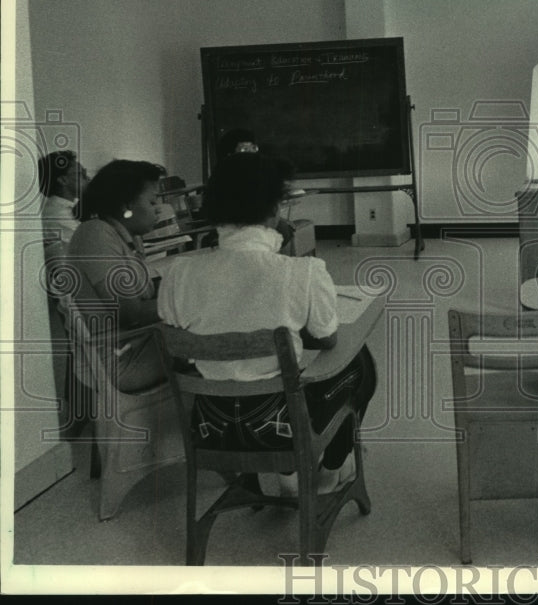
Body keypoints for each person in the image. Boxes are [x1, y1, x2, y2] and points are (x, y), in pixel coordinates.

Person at [157, 152, 377, 495]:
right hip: (281, 426)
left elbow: (177, 339)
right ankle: (330, 469)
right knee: (361, 364)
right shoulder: (301, 272)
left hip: (210, 425)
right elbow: (328, 338)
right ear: (276, 209)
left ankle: (268, 476)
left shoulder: (177, 273)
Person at [66, 159, 168, 392]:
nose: (159, 208)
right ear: (126, 205)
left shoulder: (119, 234)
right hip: (122, 360)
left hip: (137, 344)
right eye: (152, 201)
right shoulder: (95, 234)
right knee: (216, 338)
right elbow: (130, 313)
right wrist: (188, 299)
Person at [38, 150, 89, 247]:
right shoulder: (58, 215)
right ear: (63, 180)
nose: (88, 178)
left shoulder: (67, 208)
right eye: (80, 174)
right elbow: (90, 245)